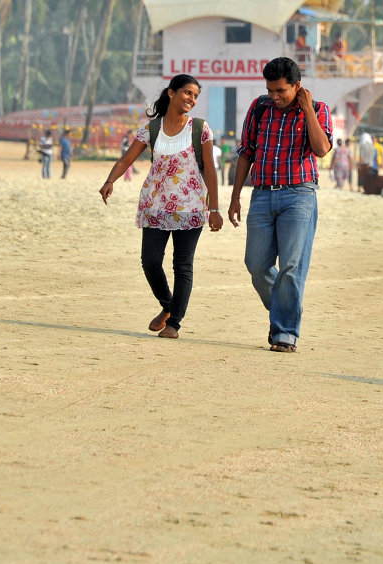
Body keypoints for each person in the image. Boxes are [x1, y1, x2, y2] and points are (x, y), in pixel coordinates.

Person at [99, 74, 222, 339]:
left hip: (190, 208)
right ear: (171, 93)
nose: (192, 99)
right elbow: (125, 160)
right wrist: (110, 180)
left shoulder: (200, 128)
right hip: (154, 206)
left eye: (196, 95)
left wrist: (214, 209)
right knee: (150, 262)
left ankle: (174, 323)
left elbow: (210, 170)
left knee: (182, 265)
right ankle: (168, 305)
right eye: (188, 93)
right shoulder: (151, 130)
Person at [228, 56, 333, 353]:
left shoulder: (318, 110)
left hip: (299, 195)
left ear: (297, 86)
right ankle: (286, 308)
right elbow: (246, 152)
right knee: (256, 265)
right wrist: (235, 197)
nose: (274, 97)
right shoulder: (260, 108)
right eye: (270, 90)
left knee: (291, 266)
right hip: (261, 194)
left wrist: (307, 109)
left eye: (281, 91)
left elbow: (322, 149)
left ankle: (285, 332)